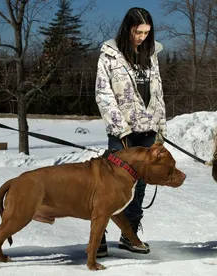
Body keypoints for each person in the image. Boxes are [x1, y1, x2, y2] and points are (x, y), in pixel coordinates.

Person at [95, 7, 167, 257]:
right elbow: (103, 95)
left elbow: (158, 95)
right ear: (128, 29)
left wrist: (160, 130)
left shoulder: (152, 53)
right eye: (138, 32)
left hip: (148, 131)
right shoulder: (110, 55)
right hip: (122, 133)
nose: (142, 37)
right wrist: (120, 129)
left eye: (147, 32)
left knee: (140, 186)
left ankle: (130, 234)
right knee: (111, 186)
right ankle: (99, 237)